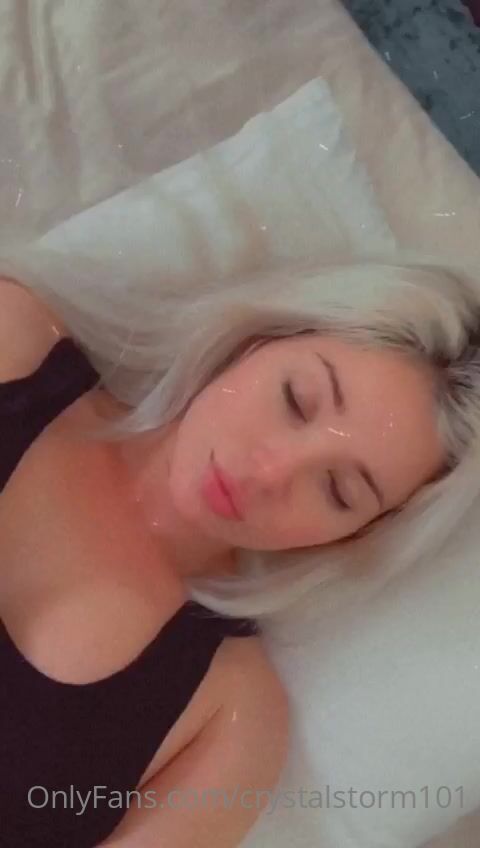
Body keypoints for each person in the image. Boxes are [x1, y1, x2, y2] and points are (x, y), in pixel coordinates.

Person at [1, 248, 480, 848]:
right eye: (296, 400)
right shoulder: (14, 339)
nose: (270, 471)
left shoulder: (230, 722)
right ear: (256, 342)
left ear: (350, 537)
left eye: (336, 489)